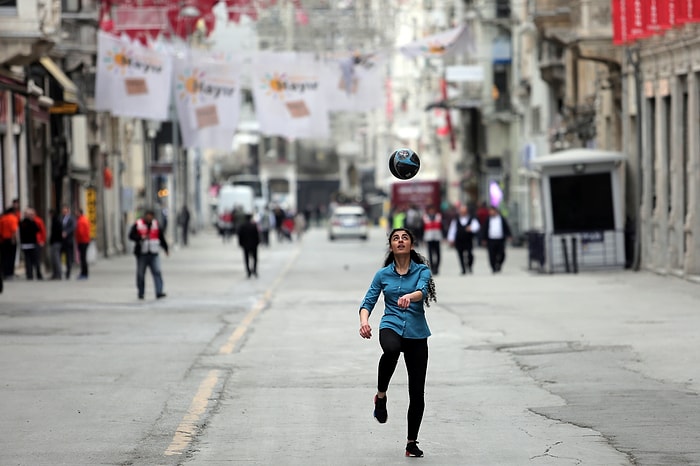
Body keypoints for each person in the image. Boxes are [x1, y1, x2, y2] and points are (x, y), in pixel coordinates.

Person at [358, 227, 437, 458]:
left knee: (417, 392)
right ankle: (380, 397)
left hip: (417, 332)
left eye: (404, 238)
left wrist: (409, 296)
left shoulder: (422, 270)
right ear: (391, 246)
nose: (400, 241)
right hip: (390, 325)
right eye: (395, 238)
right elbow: (368, 301)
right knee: (391, 350)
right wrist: (364, 322)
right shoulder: (382, 275)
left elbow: (422, 291)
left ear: (411, 245)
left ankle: (411, 443)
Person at [128, 209, 169, 300]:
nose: (150, 217)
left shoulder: (156, 224)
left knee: (157, 272)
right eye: (148, 215)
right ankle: (141, 293)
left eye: (151, 216)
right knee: (140, 274)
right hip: (142, 253)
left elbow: (161, 237)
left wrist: (166, 248)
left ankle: (159, 291)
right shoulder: (138, 224)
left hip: (154, 253)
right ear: (145, 216)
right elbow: (130, 236)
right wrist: (140, 238)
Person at [447, 204, 481, 275]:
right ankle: (463, 269)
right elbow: (452, 230)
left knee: (470, 254)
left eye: (464, 211)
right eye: (462, 211)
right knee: (460, 254)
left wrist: (471, 228)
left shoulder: (471, 218)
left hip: (468, 240)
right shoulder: (456, 220)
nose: (463, 213)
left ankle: (469, 266)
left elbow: (477, 226)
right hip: (459, 240)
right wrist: (451, 239)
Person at [481, 205, 512, 273]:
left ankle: (499, 264)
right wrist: (483, 239)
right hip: (491, 239)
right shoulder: (488, 219)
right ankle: (493, 267)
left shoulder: (501, 218)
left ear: (495, 211)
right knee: (492, 254)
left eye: (492, 211)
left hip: (500, 239)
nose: (491, 213)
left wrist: (509, 235)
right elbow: (484, 229)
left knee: (502, 254)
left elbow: (506, 227)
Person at [19, 208, 42, 280]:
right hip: (31, 244)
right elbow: (37, 230)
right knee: (35, 260)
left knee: (28, 260)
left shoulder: (21, 222)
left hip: (25, 244)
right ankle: (37, 274)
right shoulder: (31, 222)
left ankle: (30, 275)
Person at [237, 213, 260, 278]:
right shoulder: (254, 225)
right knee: (255, 258)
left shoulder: (242, 226)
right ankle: (254, 270)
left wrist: (240, 244)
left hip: (245, 245)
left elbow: (240, 236)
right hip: (254, 245)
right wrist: (258, 243)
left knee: (246, 259)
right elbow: (257, 235)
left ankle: (248, 271)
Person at [421, 205, 443, 275]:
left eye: (432, 210)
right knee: (430, 254)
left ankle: (437, 267)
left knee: (438, 253)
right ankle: (433, 268)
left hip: (437, 237)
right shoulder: (425, 217)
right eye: (430, 210)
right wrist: (422, 238)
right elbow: (422, 228)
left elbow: (443, 227)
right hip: (429, 237)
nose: (431, 211)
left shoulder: (438, 216)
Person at [0, 206, 19, 279]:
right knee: (11, 257)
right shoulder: (12, 218)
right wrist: (14, 239)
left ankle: (4, 272)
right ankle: (10, 273)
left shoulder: (3, 219)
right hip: (11, 240)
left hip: (3, 240)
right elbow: (14, 230)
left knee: (4, 257)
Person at [60, 204, 76, 279]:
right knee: (60, 256)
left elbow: (73, 227)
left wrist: (66, 232)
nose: (64, 212)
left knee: (68, 257)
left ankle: (68, 273)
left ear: (68, 210)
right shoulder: (60, 218)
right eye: (63, 211)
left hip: (69, 240)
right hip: (61, 241)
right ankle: (60, 272)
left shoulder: (71, 219)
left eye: (65, 210)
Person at [75, 209, 91, 280]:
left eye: (77, 212)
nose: (76, 213)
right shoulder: (85, 219)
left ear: (79, 213)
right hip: (85, 241)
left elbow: (80, 232)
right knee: (83, 258)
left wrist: (78, 239)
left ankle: (84, 273)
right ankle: (84, 273)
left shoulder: (81, 221)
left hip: (82, 241)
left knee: (83, 258)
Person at [48, 209, 63, 280]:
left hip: (56, 243)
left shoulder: (56, 221)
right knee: (54, 259)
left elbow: (56, 233)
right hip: (56, 242)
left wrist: (52, 241)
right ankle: (56, 273)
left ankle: (58, 274)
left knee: (56, 259)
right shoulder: (56, 220)